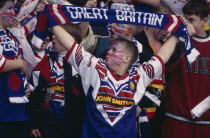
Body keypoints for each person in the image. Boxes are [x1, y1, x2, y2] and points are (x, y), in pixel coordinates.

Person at [51, 18, 178, 137]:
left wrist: (177, 33)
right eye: (110, 49)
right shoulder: (95, 68)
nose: (108, 52)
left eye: (114, 50)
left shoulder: (139, 77)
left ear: (126, 58)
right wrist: (52, 20)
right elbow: (72, 46)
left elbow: (162, 57)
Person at [162, 0, 210, 138]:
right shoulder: (176, 40)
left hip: (206, 122)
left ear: (204, 21)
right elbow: (167, 66)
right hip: (176, 118)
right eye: (185, 19)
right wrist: (182, 38)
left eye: (192, 20)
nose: (187, 24)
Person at [28, 23, 86, 138]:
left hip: (74, 123)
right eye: (54, 34)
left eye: (59, 35)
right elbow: (33, 97)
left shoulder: (84, 65)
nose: (53, 36)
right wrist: (32, 124)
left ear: (70, 40)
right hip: (47, 121)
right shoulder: (43, 64)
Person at [0, 0, 30, 137]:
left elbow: (23, 69)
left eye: (14, 9)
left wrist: (26, 86)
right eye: (9, 8)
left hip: (18, 111)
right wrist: (20, 64)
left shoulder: (12, 36)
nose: (13, 12)